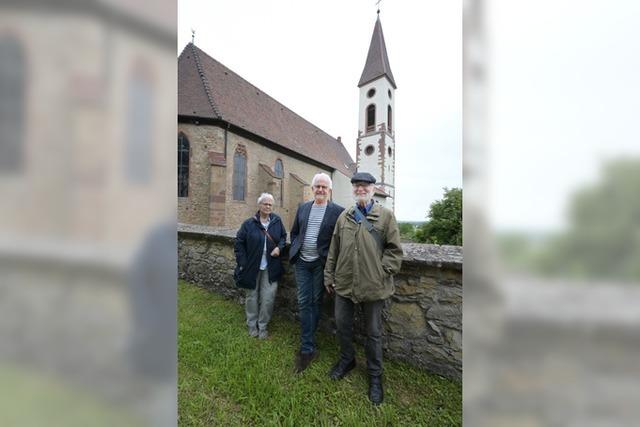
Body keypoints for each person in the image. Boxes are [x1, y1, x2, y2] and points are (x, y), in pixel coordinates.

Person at [324, 172, 403, 405]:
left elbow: (395, 251)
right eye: (357, 186)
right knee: (342, 325)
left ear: (372, 188)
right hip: (344, 283)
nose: (360, 189)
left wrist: (382, 271)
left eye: (364, 186)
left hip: (373, 287)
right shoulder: (344, 217)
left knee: (373, 333)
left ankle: (375, 376)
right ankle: (347, 360)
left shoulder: (386, 216)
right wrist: (329, 275)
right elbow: (334, 249)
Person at [289, 173, 344, 373]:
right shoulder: (303, 208)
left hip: (321, 264)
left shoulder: (338, 212)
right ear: (312, 189)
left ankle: (308, 342)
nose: (320, 190)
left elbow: (341, 241)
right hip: (302, 262)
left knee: (316, 302)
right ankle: (307, 347)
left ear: (329, 190)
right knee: (304, 302)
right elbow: (294, 231)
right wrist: (296, 246)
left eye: (324, 187)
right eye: (317, 186)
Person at [234, 193, 287, 339]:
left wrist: (279, 248)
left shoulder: (277, 221)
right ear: (259, 205)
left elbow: (283, 237)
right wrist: (243, 262)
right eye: (265, 204)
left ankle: (263, 326)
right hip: (252, 266)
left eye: (270, 204)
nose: (268, 206)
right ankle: (252, 325)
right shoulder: (248, 224)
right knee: (251, 296)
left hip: (271, 266)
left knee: (268, 297)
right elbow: (239, 243)